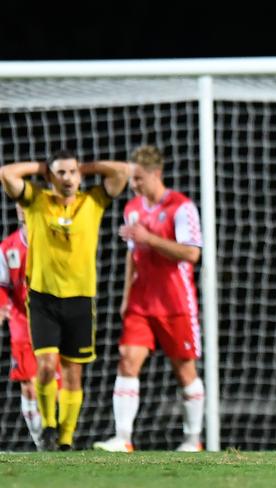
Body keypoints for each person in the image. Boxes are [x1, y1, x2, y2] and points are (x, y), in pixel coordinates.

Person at [0, 150, 130, 451]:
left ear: (80, 176)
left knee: (73, 373)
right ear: (51, 177)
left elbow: (122, 171)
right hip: (43, 300)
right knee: (44, 367)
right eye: (61, 173)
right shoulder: (36, 200)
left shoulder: (92, 201)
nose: (68, 178)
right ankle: (48, 424)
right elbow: (7, 174)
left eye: (72, 173)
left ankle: (66, 439)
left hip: (80, 301)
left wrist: (88, 167)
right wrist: (42, 168)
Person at [92, 145, 205, 453]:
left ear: (156, 174)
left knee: (185, 371)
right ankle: (123, 437)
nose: (134, 185)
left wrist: (149, 238)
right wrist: (126, 297)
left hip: (175, 303)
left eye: (139, 178)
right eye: (132, 179)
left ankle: (192, 440)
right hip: (142, 302)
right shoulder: (132, 209)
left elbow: (192, 253)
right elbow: (133, 256)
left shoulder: (182, 207)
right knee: (127, 361)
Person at [0, 203, 47, 450]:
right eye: (19, 204)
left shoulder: (52, 241)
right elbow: (1, 285)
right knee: (28, 384)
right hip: (22, 322)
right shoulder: (7, 247)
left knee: (53, 385)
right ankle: (42, 445)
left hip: (54, 319)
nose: (22, 209)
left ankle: (61, 437)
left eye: (27, 202)